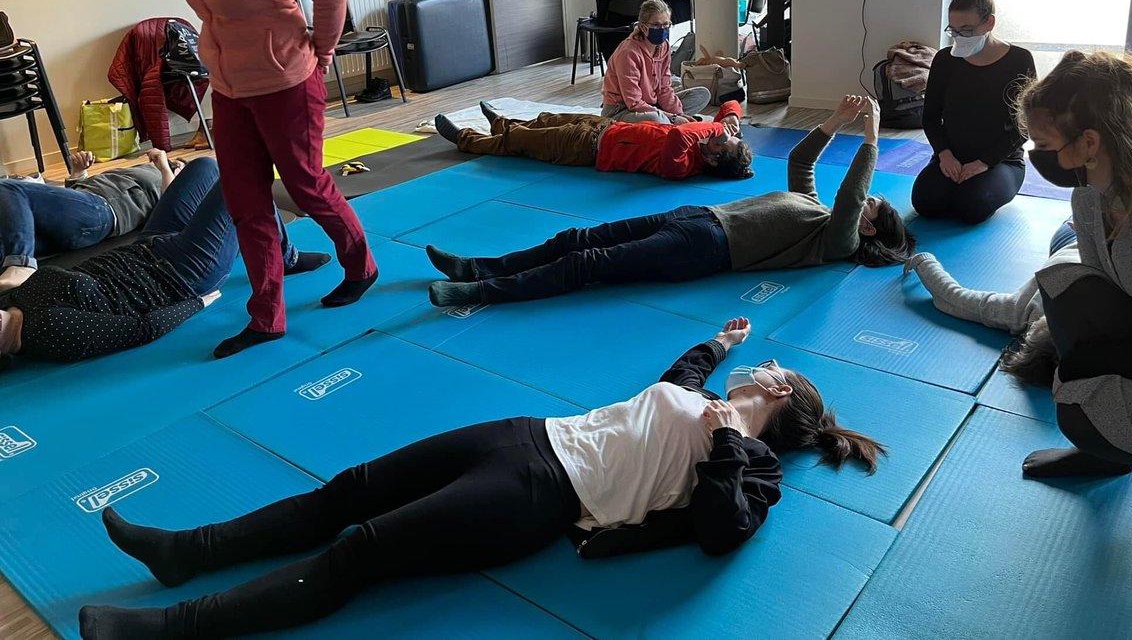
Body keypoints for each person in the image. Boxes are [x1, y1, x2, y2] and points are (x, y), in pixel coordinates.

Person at [78, 317, 883, 639]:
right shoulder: (701, 394)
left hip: (541, 497)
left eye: (772, 365)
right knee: (348, 489)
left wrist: (725, 448)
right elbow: (670, 382)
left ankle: (174, 628)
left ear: (777, 393)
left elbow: (721, 532)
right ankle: (186, 548)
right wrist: (718, 344)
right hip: (522, 434)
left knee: (360, 547)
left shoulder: (757, 463)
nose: (766, 362)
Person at [118, 0, 378, 360]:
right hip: (231, 87)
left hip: (286, 82)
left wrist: (321, 58)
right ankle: (267, 317)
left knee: (306, 187)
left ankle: (361, 265)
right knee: (245, 201)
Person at [425, 96, 915, 308]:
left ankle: (485, 294)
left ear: (867, 230)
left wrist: (871, 136)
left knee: (590, 262)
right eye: (871, 201)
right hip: (698, 217)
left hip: (706, 248)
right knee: (577, 236)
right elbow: (802, 162)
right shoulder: (815, 209)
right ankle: (480, 268)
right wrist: (834, 120)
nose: (866, 200)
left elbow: (852, 195)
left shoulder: (835, 241)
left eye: (872, 208)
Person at [1013, 50, 1132, 510]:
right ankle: (1110, 455)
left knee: (1083, 413)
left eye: (1043, 144)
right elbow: (1108, 296)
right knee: (1065, 285)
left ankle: (1111, 444)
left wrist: (1098, 360)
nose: (1036, 156)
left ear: (1090, 142)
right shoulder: (1089, 197)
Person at [0, 158, 329, 366]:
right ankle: (287, 256)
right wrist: (197, 302)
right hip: (183, 273)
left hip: (151, 245)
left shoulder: (9, 298)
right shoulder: (47, 333)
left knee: (205, 167)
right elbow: (143, 329)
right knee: (240, 178)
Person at [912, 0, 1037, 224]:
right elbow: (930, 117)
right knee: (925, 202)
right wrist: (945, 155)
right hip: (952, 159)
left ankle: (985, 184)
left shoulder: (1019, 60)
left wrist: (985, 162)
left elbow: (1025, 126)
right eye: (953, 31)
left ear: (989, 23)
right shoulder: (945, 60)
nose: (959, 37)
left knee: (972, 207)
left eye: (967, 31)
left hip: (1000, 161)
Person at [903, 222, 1080, 387]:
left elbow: (952, 297)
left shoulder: (1019, 313)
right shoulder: (1024, 311)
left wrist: (923, 261)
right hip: (1076, 236)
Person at [434, 99, 754, 181]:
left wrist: (714, 128)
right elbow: (730, 103)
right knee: (547, 119)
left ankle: (466, 138)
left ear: (713, 158)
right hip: (606, 126)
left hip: (587, 148)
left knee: (521, 141)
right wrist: (732, 119)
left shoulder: (682, 165)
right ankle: (500, 122)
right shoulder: (707, 142)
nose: (719, 134)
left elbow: (678, 135)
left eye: (722, 141)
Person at [0, 149, 183, 291]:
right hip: (83, 213)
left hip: (104, 211)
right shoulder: (145, 171)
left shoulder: (171, 179)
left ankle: (21, 264)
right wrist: (78, 172)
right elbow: (75, 198)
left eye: (180, 164)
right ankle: (16, 263)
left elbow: (172, 208)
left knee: (10, 189)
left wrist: (167, 168)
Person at [601, 0, 709, 123]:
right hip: (621, 110)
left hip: (651, 103)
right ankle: (664, 121)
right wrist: (672, 117)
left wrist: (679, 114)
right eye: (657, 25)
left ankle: (665, 121)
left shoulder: (664, 46)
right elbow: (634, 103)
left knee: (702, 94)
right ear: (643, 27)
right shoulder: (628, 53)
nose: (662, 29)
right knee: (657, 119)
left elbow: (664, 88)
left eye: (666, 24)